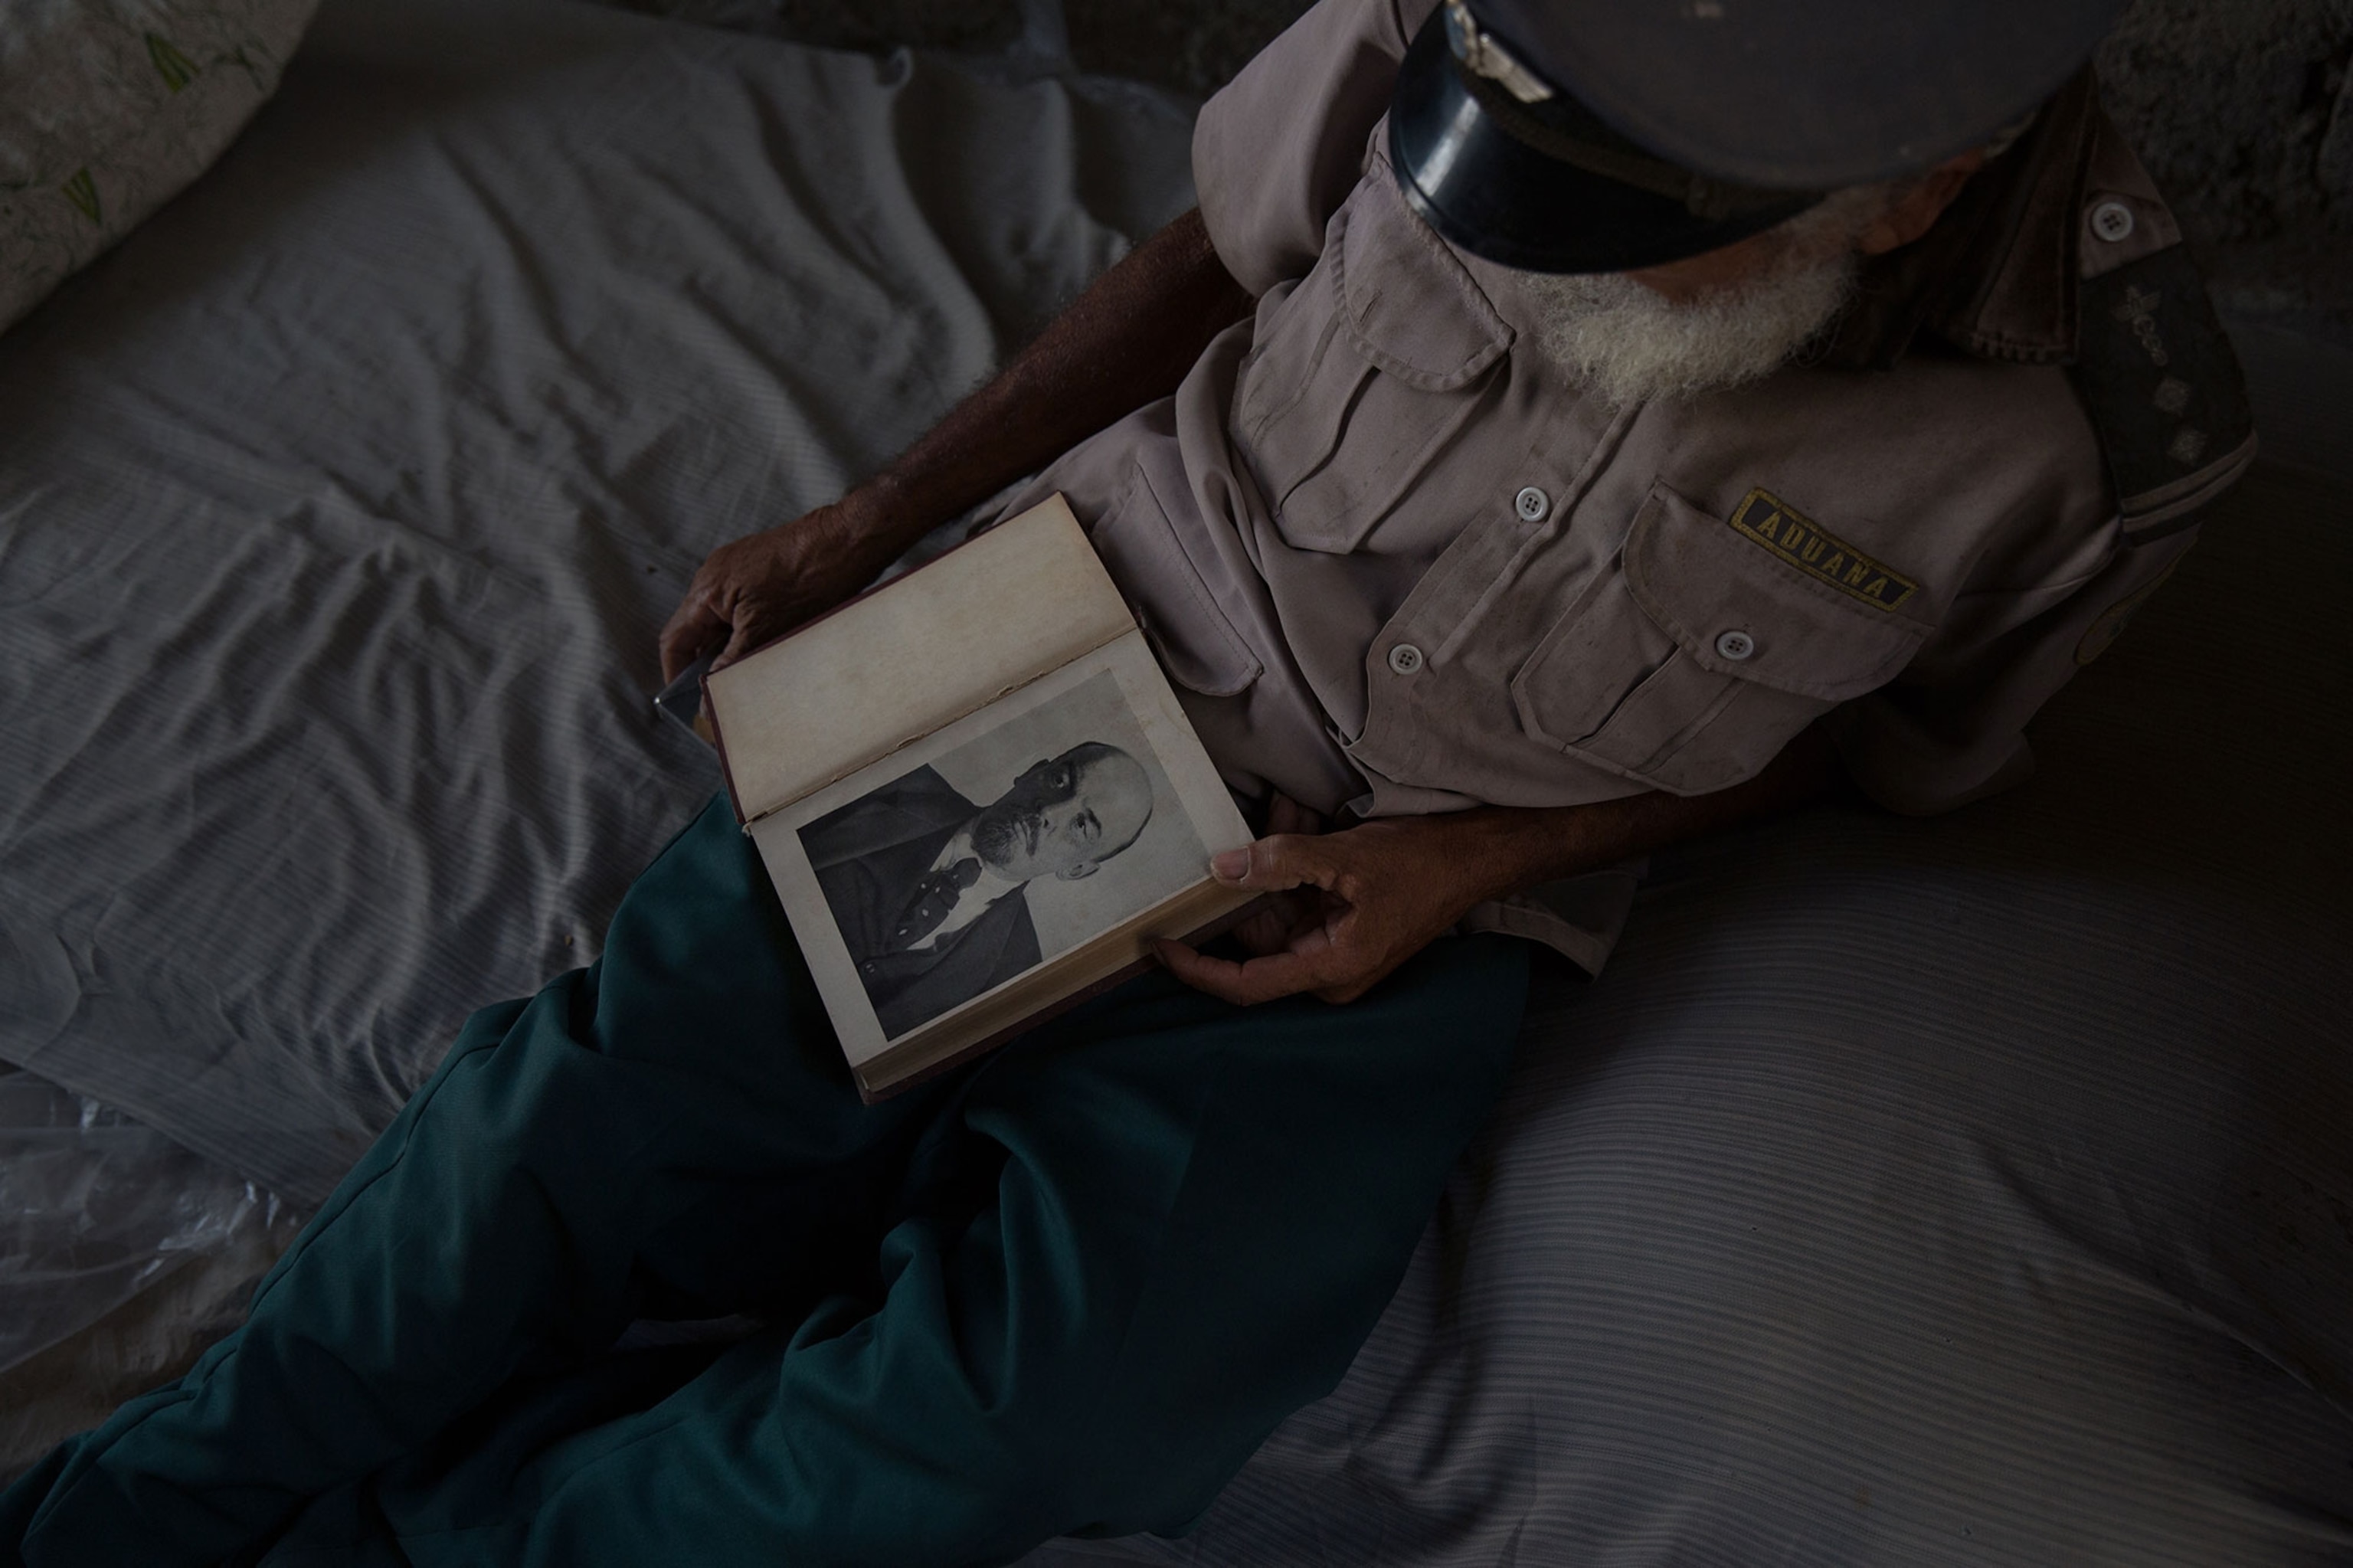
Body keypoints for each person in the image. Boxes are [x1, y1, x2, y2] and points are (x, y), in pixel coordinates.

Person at [1, 1, 2252, 1564]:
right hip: (1099, 635)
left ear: (1915, 184)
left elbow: (1876, 742)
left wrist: (1480, 856)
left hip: (1400, 912)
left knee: (1014, 1410)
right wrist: (875, 518)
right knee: (581, 1114)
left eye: (1636, 219)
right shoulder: (1489, 23)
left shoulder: (2080, 438)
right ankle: (128, 1518)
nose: (1535, 236)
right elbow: (1208, 261)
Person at [807, 743, 1154, 1035]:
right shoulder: (886, 777)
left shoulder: (1016, 982)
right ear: (1032, 771)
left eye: (1081, 825)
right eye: (1059, 780)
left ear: (1076, 870)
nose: (1049, 810)